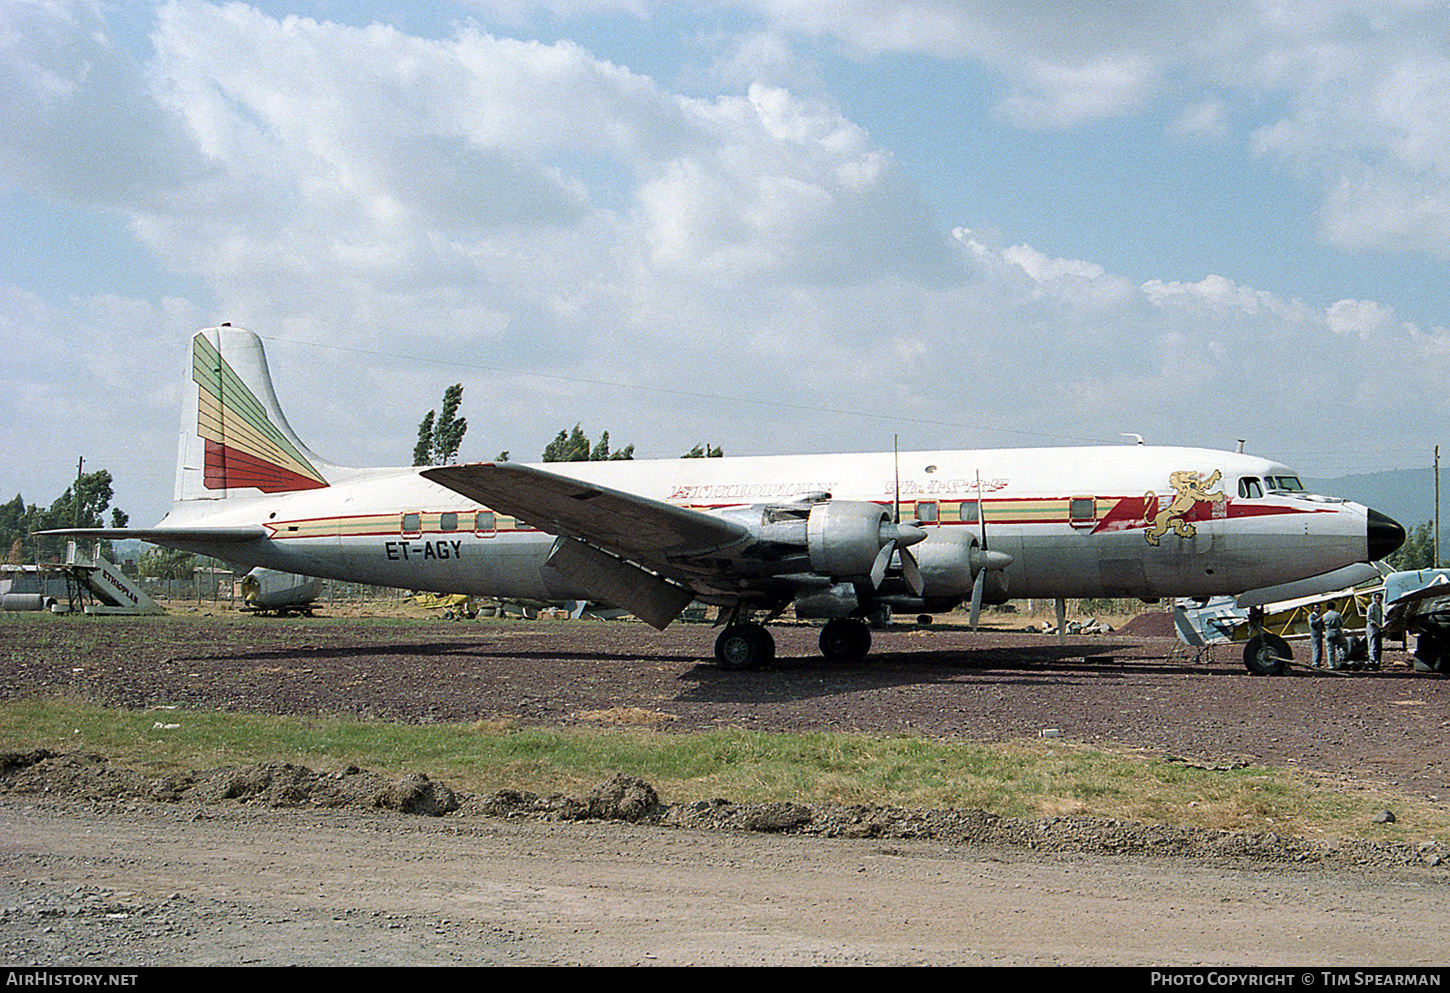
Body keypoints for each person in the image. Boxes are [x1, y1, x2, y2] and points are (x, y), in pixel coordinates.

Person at [1324, 605, 1348, 670]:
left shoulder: (1325, 615)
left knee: (1330, 650)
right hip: (1337, 632)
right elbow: (1341, 623)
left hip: (1328, 632)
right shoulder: (1337, 614)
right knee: (1344, 644)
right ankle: (1342, 658)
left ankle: (1331, 665)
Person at [1366, 591, 1384, 670]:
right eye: (1377, 598)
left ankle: (1377, 662)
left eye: (1380, 598)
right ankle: (1372, 662)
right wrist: (1377, 624)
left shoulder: (1380, 607)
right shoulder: (1371, 606)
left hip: (1378, 629)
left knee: (1378, 645)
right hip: (1372, 628)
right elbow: (1369, 618)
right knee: (1372, 645)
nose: (1379, 600)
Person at [1308, 604, 1325, 669]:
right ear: (1313, 609)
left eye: (1319, 608)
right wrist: (1319, 619)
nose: (1318, 609)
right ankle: (1315, 662)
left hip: (1319, 634)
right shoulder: (1311, 616)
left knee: (1320, 648)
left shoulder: (1317, 616)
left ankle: (1318, 662)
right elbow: (1312, 624)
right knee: (1316, 648)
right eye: (1316, 608)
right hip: (1315, 634)